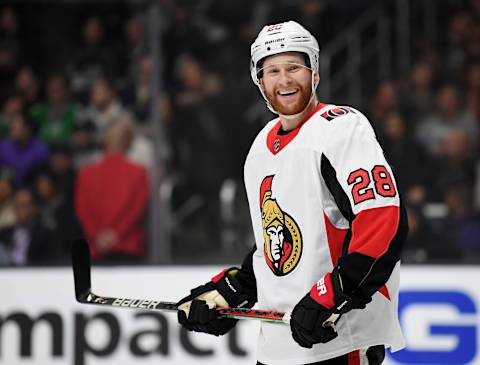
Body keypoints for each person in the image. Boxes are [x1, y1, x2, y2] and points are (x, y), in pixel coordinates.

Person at [176, 21, 408, 365]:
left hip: (338, 339)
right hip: (278, 348)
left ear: (314, 74)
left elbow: (383, 221)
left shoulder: (341, 127)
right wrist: (232, 290)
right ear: (260, 81)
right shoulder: (260, 148)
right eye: (272, 71)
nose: (284, 80)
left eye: (294, 67)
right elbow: (278, 244)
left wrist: (335, 295)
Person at [74, 118, 148, 262]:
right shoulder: (139, 172)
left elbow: (82, 210)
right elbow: (136, 210)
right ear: (129, 142)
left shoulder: (86, 173)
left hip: (96, 247)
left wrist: (97, 236)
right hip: (128, 245)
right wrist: (116, 235)